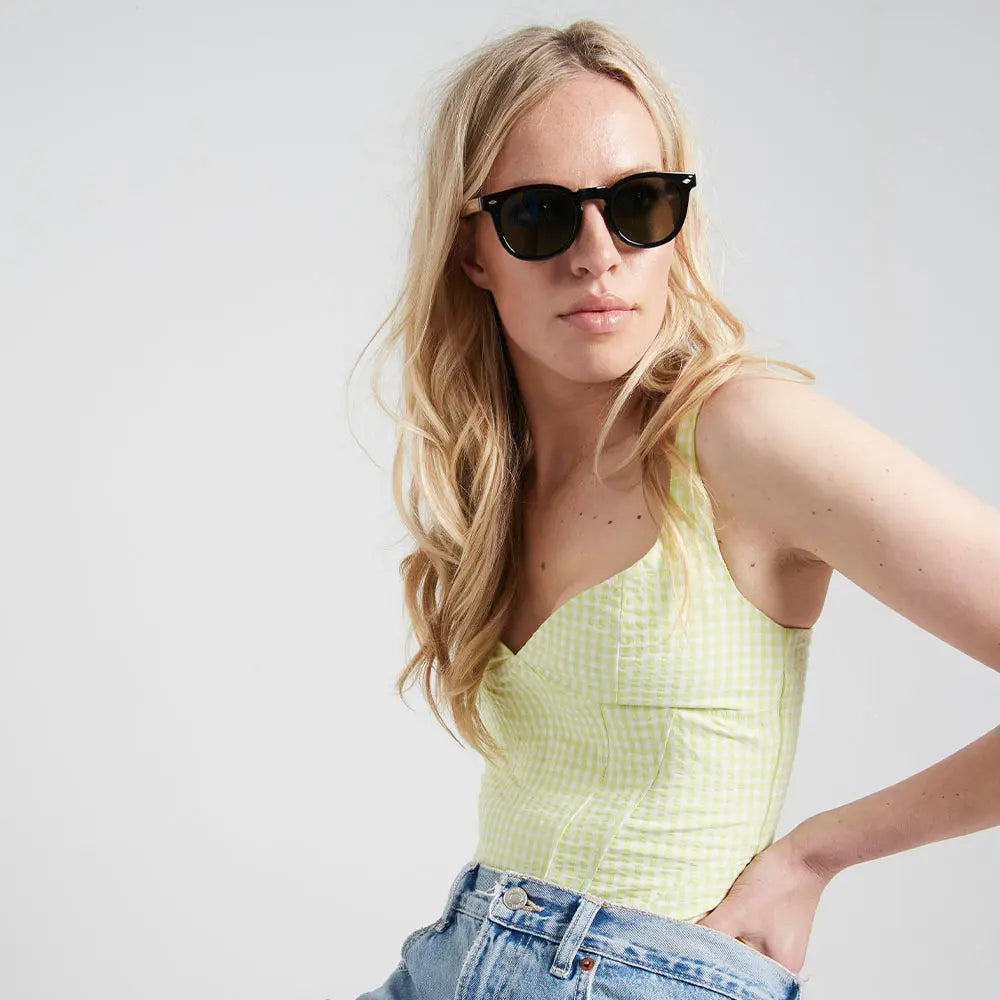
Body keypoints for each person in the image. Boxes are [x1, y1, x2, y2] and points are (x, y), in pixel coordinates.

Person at [353, 19, 1000, 1000]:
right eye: (538, 215)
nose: (596, 255)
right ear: (473, 249)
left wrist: (816, 853)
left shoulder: (743, 435)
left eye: (637, 204)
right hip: (453, 956)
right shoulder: (500, 474)